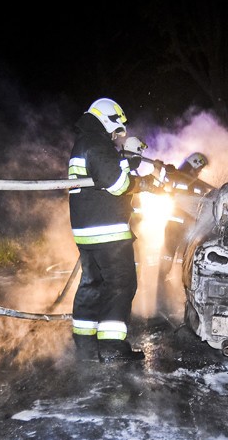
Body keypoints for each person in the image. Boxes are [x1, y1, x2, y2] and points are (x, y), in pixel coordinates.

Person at [67, 98, 163, 362]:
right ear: (108, 118)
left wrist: (128, 163)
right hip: (107, 229)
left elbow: (103, 174)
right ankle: (111, 348)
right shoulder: (97, 143)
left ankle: (85, 342)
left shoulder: (83, 142)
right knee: (121, 284)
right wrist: (142, 182)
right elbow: (117, 184)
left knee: (92, 284)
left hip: (87, 229)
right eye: (117, 128)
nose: (117, 135)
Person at [156, 152, 211, 316]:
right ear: (194, 164)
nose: (200, 171)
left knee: (185, 266)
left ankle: (181, 301)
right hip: (175, 229)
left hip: (188, 231)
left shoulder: (199, 184)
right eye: (199, 167)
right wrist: (162, 170)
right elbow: (165, 184)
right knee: (165, 265)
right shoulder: (178, 176)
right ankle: (161, 302)